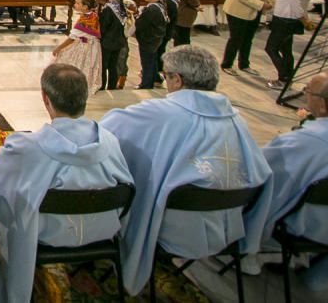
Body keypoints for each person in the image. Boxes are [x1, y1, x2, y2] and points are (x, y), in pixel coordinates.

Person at [100, 46, 273, 295]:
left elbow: (103, 137)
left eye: (166, 75)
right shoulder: (237, 120)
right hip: (226, 228)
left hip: (168, 228)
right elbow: (261, 173)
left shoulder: (154, 114)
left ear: (177, 79)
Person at [0, 63, 133, 301]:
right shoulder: (110, 142)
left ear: (46, 99)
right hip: (102, 229)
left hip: (47, 234)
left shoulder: (27, 147)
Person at [255, 69, 328, 289]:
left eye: (308, 91)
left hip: (301, 228)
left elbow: (258, 175)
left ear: (324, 105)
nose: (305, 94)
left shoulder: (304, 143)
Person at [221, 0, 276, 74]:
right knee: (236, 39)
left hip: (253, 12)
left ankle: (244, 64)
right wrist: (261, 4)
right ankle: (227, 64)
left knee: (248, 39)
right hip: (237, 11)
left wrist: (272, 1)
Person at [265, 0, 312, 91]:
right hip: (288, 22)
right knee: (286, 50)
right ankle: (287, 77)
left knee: (271, 49)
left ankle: (283, 78)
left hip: (284, 22)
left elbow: (298, 10)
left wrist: (306, 21)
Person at [52, 0, 102, 93]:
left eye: (78, 3)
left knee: (77, 64)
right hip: (91, 46)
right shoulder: (93, 15)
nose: (75, 5)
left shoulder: (85, 20)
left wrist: (59, 48)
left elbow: (72, 38)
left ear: (85, 7)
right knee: (86, 66)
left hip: (86, 47)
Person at [135, 0, 168, 90]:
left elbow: (141, 23)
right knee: (152, 60)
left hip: (149, 38)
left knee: (147, 62)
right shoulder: (160, 5)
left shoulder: (152, 9)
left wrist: (136, 17)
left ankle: (146, 84)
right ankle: (155, 78)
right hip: (156, 37)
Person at [99, 0, 127, 92]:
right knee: (113, 65)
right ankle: (112, 86)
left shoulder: (108, 8)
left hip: (107, 41)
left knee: (103, 65)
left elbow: (103, 26)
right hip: (119, 40)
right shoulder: (121, 6)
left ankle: (101, 86)